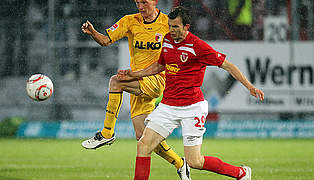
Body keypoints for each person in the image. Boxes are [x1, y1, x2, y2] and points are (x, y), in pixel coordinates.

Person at [117, 6, 264, 180]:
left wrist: (249, 87)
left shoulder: (198, 46)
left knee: (194, 161)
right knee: (143, 145)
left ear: (187, 26)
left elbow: (228, 65)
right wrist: (133, 74)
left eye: (176, 27)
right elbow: (159, 66)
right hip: (168, 106)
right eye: (170, 26)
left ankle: (240, 173)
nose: (172, 30)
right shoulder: (167, 40)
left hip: (192, 108)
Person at [81, 0, 190, 179]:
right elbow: (106, 41)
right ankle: (180, 163)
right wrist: (93, 32)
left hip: (157, 80)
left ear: (155, 1)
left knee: (116, 82)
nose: (140, 6)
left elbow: (182, 47)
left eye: (144, 2)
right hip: (137, 80)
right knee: (143, 138)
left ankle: (107, 133)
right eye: (137, 2)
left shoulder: (166, 23)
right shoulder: (129, 21)